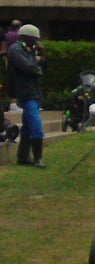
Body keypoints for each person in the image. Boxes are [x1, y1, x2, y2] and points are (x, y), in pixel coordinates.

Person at [7, 24, 45, 166]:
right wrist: (37, 64)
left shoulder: (28, 50)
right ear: (25, 37)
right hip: (25, 92)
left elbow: (40, 67)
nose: (36, 41)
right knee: (35, 124)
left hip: (33, 91)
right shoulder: (16, 49)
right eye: (34, 38)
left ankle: (22, 157)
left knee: (28, 126)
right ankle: (38, 157)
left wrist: (41, 56)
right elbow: (28, 67)